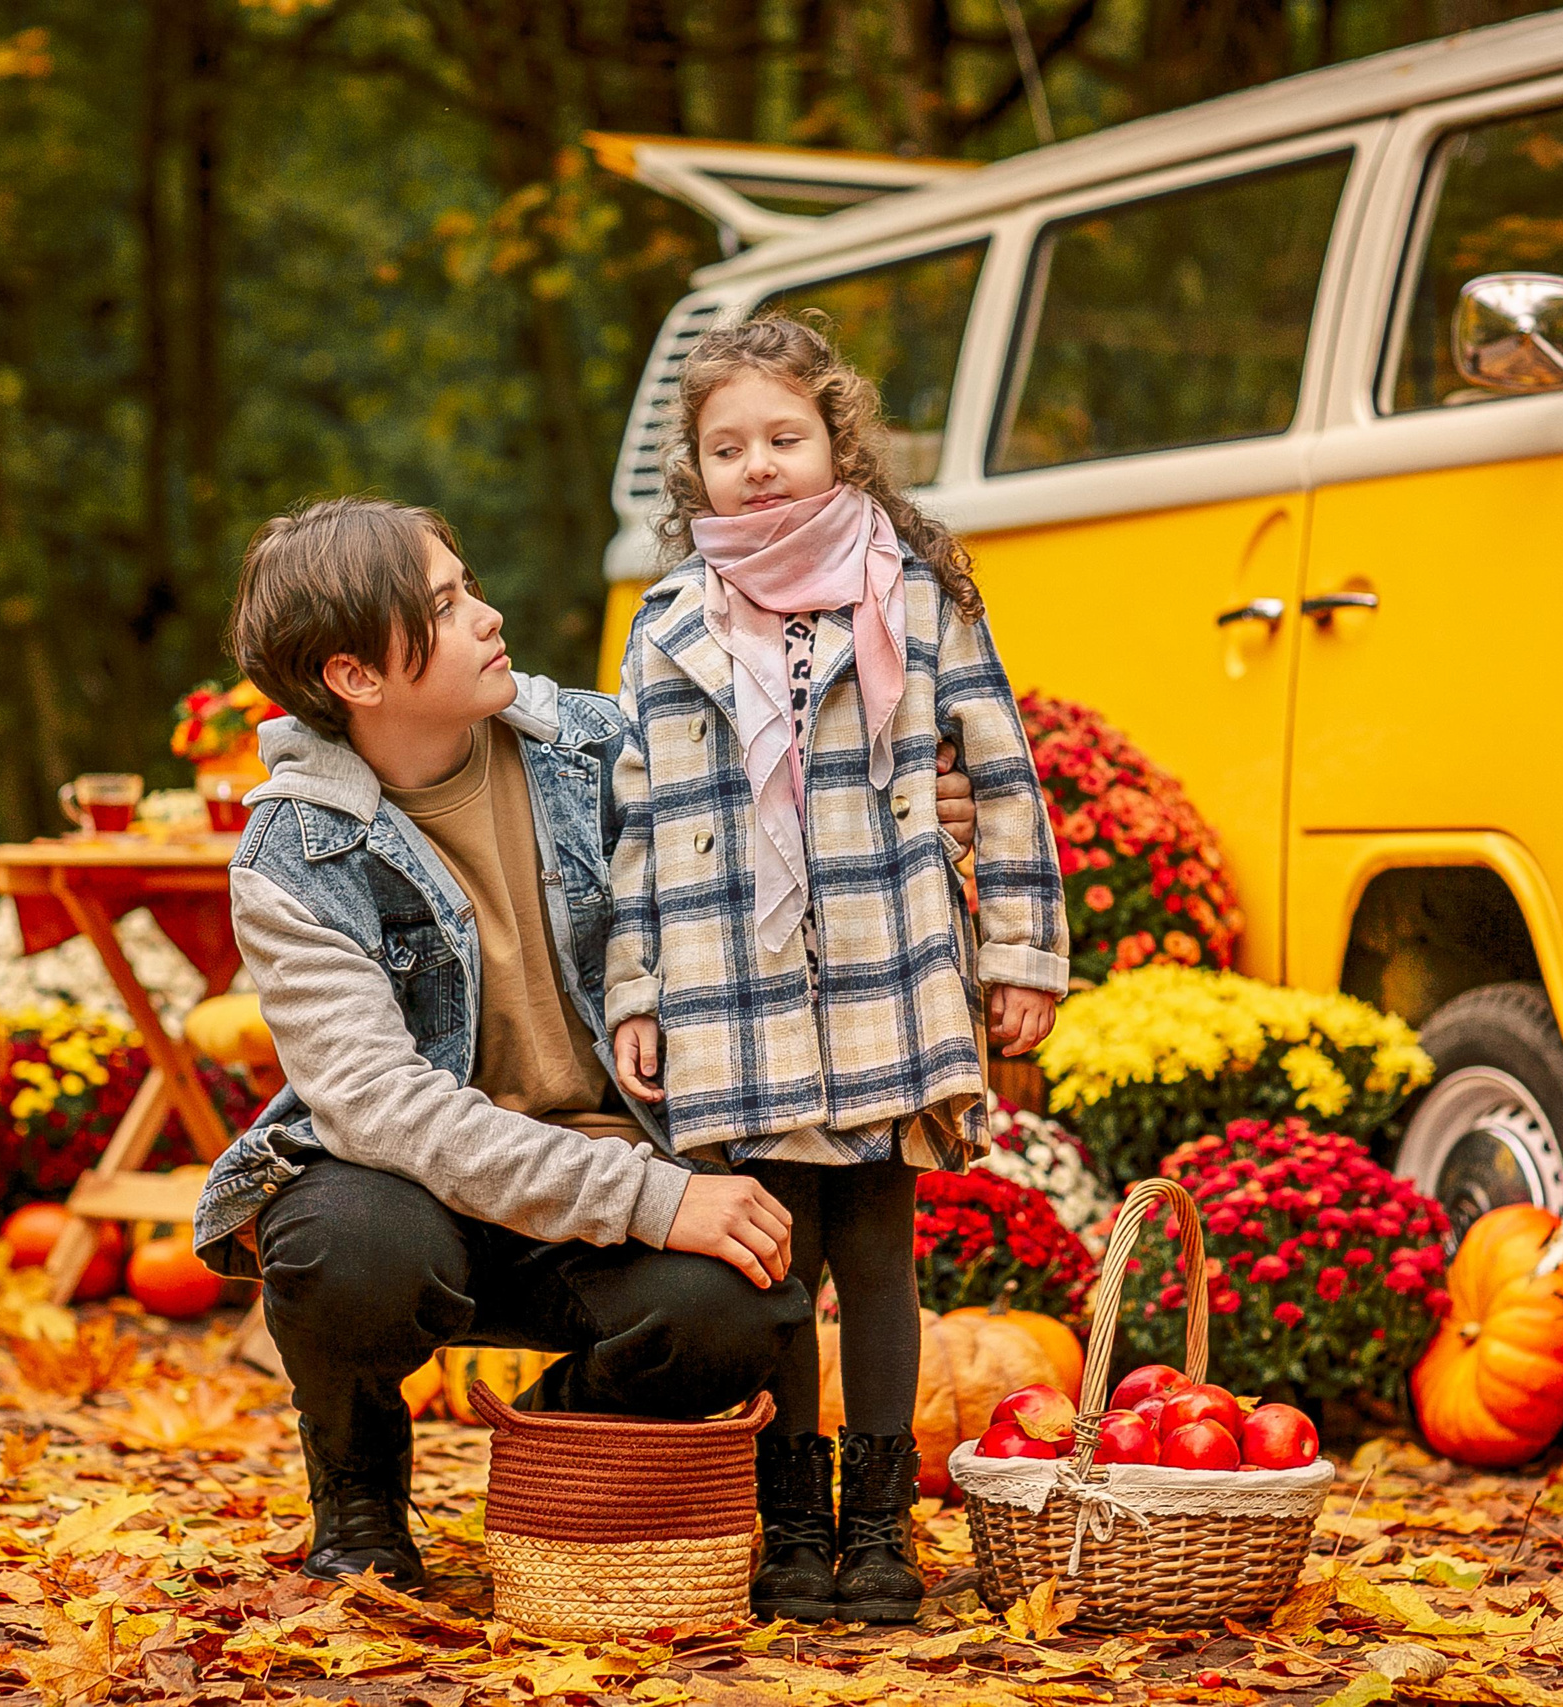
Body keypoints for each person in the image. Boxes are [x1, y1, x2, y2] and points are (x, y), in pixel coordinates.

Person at [190, 496, 982, 1592]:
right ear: (355, 678)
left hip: (610, 1179)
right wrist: (658, 1202)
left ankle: (546, 1437)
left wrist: (911, 804)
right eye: (445, 605)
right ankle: (360, 1492)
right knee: (340, 1250)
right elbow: (379, 1107)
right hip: (414, 1197)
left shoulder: (602, 752)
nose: (487, 615)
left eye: (466, 587)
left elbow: (778, 831)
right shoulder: (292, 856)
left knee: (750, 1310)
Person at [606, 314, 1070, 1624]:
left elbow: (1004, 771)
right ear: (694, 469)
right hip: (730, 978)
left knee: (876, 1257)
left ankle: (881, 1529)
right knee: (771, 1265)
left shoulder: (912, 593)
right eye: (726, 445)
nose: (758, 464)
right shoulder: (670, 620)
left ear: (837, 439)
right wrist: (636, 982)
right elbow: (638, 821)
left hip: (885, 963)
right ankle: (789, 1522)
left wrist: (1022, 946)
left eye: (783, 436)